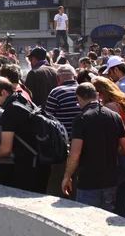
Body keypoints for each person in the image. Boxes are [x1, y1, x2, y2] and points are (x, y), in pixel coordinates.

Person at [62, 83, 125, 212]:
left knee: (87, 221)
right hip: (111, 180)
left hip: (89, 181)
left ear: (79, 98)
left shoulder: (81, 119)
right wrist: (114, 152)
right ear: (98, 95)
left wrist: (67, 176)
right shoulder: (115, 116)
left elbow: (75, 153)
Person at [0, 77, 51, 194]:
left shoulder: (11, 110)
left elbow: (6, 148)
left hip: (28, 167)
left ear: (4, 92)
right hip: (41, 162)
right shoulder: (22, 99)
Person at [45, 64, 81, 197]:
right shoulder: (84, 90)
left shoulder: (56, 92)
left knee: (59, 181)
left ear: (58, 78)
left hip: (63, 146)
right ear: (74, 76)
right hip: (83, 144)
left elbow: (48, 119)